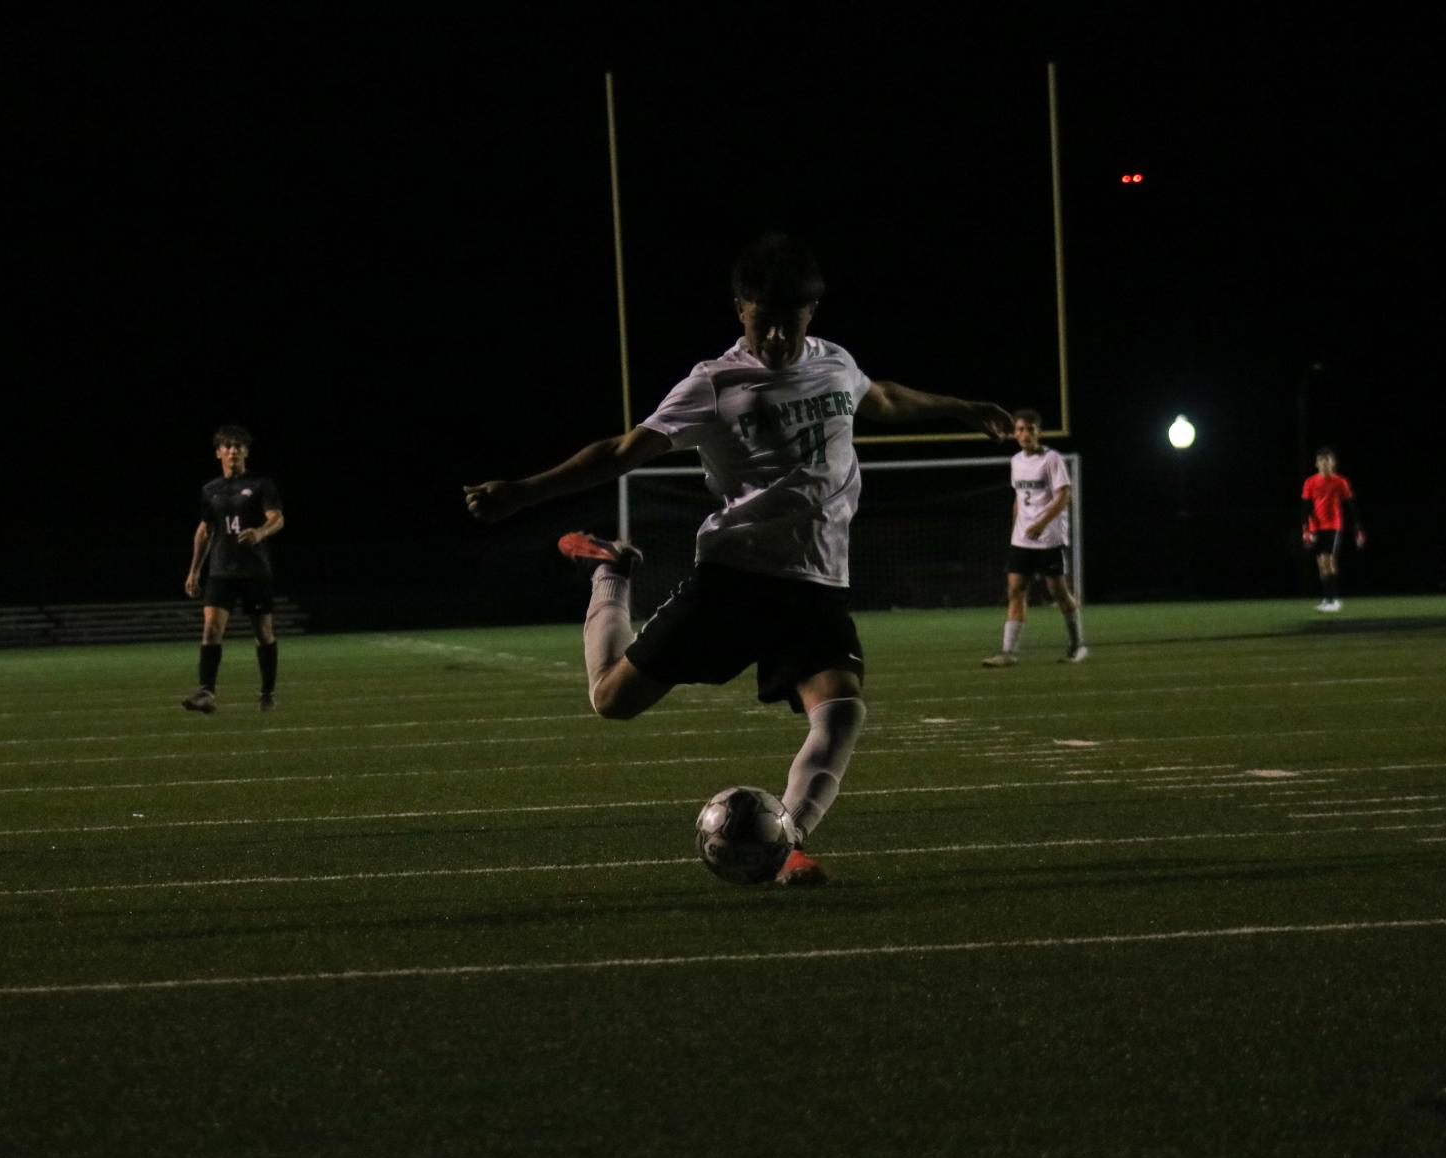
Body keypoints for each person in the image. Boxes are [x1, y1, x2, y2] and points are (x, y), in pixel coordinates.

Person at [463, 233, 1010, 886]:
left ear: (812, 312)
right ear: (738, 310)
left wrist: (964, 407)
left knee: (840, 712)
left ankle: (787, 840)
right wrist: (523, 492)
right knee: (612, 700)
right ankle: (611, 571)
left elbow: (883, 398)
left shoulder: (834, 362)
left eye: (791, 322)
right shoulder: (712, 383)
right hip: (736, 577)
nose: (776, 337)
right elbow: (619, 451)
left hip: (817, 586)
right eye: (762, 322)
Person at [182, 424, 286, 712]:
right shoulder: (210, 489)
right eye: (227, 446)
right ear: (218, 453)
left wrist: (261, 532)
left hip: (255, 571)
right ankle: (206, 692)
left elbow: (277, 518)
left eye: (238, 446)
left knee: (263, 633)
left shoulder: (262, 483)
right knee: (211, 629)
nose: (233, 450)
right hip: (221, 571)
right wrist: (194, 570)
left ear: (246, 452)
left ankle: (267, 693)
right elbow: (205, 530)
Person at [982, 408, 1086, 665]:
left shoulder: (1051, 459)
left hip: (1048, 537)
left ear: (1038, 432)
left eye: (1030, 429)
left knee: (1058, 592)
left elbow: (1064, 496)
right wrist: (1015, 529)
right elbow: (1019, 498)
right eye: (1020, 429)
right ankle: (1008, 651)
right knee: (1015, 590)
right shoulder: (1016, 461)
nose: (1025, 434)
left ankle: (1077, 645)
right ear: (1014, 433)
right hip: (1022, 540)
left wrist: (1041, 523)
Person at [1301, 447, 1364, 611]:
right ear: (1316, 464)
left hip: (1333, 526)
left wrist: (1358, 530)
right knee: (1321, 564)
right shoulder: (1310, 482)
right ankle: (1327, 598)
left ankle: (1333, 600)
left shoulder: (1340, 482)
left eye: (1327, 460)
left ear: (1333, 463)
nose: (1324, 463)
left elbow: (1351, 507)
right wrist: (1305, 529)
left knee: (1329, 561)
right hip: (1316, 527)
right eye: (1321, 460)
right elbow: (1306, 507)